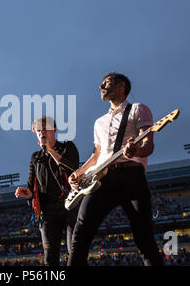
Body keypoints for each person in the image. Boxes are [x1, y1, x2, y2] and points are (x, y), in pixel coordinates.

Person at [67, 72, 164, 266]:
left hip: (131, 176)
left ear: (121, 86)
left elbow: (148, 145)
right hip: (102, 178)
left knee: (144, 237)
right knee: (80, 233)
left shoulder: (138, 109)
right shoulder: (99, 122)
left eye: (106, 83)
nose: (101, 86)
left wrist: (137, 149)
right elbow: (96, 155)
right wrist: (78, 172)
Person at [15, 115, 79, 266]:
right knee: (50, 257)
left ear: (54, 130)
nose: (41, 132)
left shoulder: (67, 147)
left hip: (71, 205)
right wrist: (27, 193)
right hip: (48, 211)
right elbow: (31, 188)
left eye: (45, 128)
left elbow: (73, 169)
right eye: (38, 130)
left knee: (75, 252)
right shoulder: (35, 158)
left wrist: (50, 150)